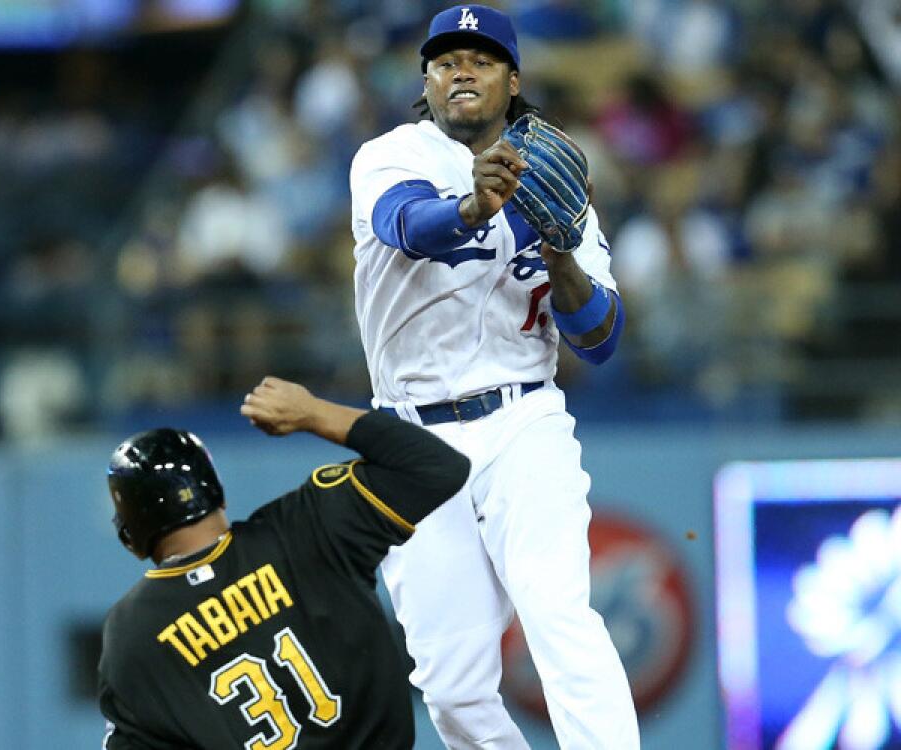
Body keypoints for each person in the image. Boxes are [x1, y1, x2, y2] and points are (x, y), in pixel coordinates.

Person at [348, 5, 638, 749]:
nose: (462, 71)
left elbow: (601, 337)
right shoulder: (390, 156)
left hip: (523, 420)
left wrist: (562, 250)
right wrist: (477, 204)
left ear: (513, 80)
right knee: (450, 685)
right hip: (409, 436)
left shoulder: (556, 175)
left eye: (480, 59)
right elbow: (409, 227)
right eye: (446, 62)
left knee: (558, 613)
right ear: (427, 81)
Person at [96, 376, 471, 748]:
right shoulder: (307, 526)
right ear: (216, 493)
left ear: (132, 535)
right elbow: (437, 467)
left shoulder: (131, 634)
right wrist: (313, 413)